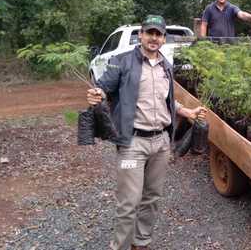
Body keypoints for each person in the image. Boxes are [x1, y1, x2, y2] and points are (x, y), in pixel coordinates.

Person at [86, 15, 207, 250]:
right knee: (129, 202)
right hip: (133, 143)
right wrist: (96, 93)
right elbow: (103, 87)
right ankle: (119, 246)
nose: (154, 38)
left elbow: (166, 101)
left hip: (161, 143)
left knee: (152, 198)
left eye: (158, 34)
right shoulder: (121, 62)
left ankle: (141, 242)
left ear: (163, 38)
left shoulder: (166, 66)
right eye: (149, 33)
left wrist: (187, 112)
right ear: (140, 35)